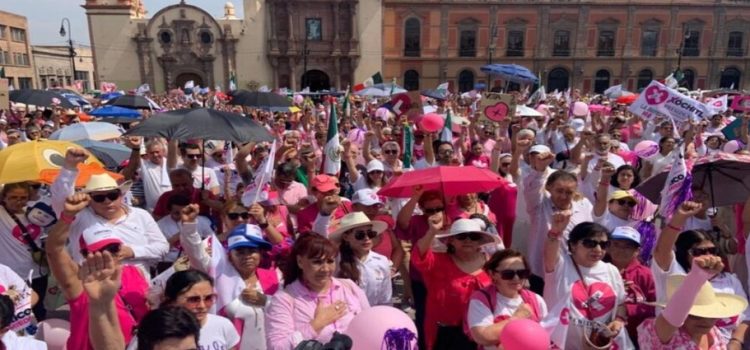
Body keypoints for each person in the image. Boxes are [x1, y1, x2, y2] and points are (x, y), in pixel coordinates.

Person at [45, 193, 149, 350]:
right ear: (85, 255)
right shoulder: (79, 281)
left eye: (113, 248)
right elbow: (54, 250)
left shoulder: (135, 272)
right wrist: (67, 216)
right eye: (97, 251)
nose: (107, 255)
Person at [51, 149, 170, 277]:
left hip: (137, 286)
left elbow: (163, 247)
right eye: (99, 198)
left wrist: (133, 251)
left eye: (112, 195)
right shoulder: (79, 217)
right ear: (89, 200)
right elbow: (61, 200)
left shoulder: (141, 215)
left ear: (121, 195)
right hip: (93, 286)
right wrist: (69, 167)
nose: (107, 201)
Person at [180, 204, 279, 350]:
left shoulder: (274, 277)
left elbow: (288, 311)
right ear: (230, 255)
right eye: (240, 251)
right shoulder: (219, 274)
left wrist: (266, 301)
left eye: (252, 250)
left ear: (260, 253)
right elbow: (196, 255)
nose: (247, 256)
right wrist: (189, 226)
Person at [653, 201, 750, 344]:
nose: (708, 256)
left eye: (712, 250)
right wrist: (678, 218)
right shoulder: (674, 276)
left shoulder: (730, 280)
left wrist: (735, 343)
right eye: (699, 252)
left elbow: (746, 316)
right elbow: (662, 251)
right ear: (683, 254)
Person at [265, 234, 370, 349]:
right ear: (300, 262)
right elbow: (277, 347)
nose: (325, 269)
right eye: (317, 262)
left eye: (330, 261)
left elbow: (371, 326)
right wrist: (316, 325)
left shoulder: (349, 287)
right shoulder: (284, 299)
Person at [413, 217, 501, 350]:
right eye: (462, 236)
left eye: (473, 237)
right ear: (451, 241)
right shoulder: (438, 262)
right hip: (445, 333)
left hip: (480, 331)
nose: (468, 240)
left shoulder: (491, 265)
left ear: (480, 242)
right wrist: (432, 232)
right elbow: (419, 255)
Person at [543, 220, 629, 349]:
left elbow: (621, 304)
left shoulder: (612, 270)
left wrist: (618, 321)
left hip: (600, 345)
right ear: (573, 245)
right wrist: (555, 232)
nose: (598, 249)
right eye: (590, 243)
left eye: (604, 244)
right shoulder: (560, 265)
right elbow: (549, 250)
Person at [638, 255, 748, 349]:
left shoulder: (715, 334)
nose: (705, 321)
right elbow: (672, 318)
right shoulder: (659, 331)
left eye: (711, 315)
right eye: (695, 316)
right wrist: (697, 277)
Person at [524, 147, 593, 290]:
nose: (563, 196)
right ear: (548, 188)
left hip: (575, 270)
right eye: (559, 191)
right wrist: (540, 169)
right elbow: (532, 187)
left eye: (569, 192)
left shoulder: (583, 204)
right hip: (541, 271)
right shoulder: (539, 205)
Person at [128, 270, 240, 350]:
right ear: (170, 300)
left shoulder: (223, 325)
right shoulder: (151, 332)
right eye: (193, 299)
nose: (202, 305)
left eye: (208, 298)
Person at [467, 249, 548, 350]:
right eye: (508, 274)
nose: (516, 278)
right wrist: (517, 318)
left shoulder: (536, 300)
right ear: (492, 274)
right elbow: (482, 336)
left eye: (522, 273)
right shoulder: (481, 299)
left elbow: (546, 336)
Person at [0, 182, 46, 319]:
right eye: (13, 197)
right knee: (13, 313)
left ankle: (39, 339)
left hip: (38, 272)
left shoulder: (35, 213)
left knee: (38, 310)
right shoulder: (1, 213)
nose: (18, 201)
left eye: (23, 197)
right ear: (4, 197)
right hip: (12, 273)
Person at [605, 226, 656, 344]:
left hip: (635, 337)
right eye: (616, 244)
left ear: (637, 251)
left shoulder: (645, 274)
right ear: (608, 246)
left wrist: (628, 309)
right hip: (601, 333)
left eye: (627, 246)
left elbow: (655, 306)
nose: (621, 250)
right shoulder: (599, 269)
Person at [331, 212, 392, 306]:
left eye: (370, 233)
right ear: (346, 237)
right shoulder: (336, 260)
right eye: (360, 235)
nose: (367, 238)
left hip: (373, 316)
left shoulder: (382, 261)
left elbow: (385, 298)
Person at [121, 138, 173, 212]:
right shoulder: (145, 166)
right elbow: (134, 163)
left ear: (163, 151)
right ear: (147, 153)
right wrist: (136, 148)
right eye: (152, 153)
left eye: (157, 152)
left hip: (172, 208)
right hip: (154, 211)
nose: (155, 155)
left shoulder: (170, 163)